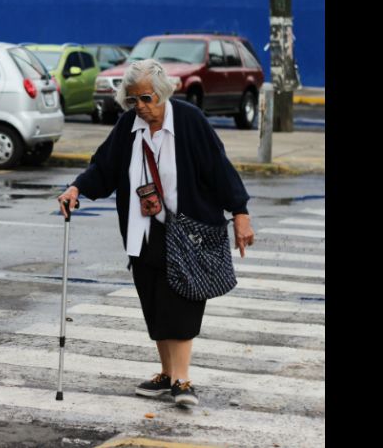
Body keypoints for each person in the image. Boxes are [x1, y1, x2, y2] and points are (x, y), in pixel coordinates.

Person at [57, 58, 254, 407]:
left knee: (181, 303)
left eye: (146, 99)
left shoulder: (190, 122)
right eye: (133, 100)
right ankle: (166, 374)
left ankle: (182, 380)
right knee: (155, 304)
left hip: (186, 231)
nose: (140, 107)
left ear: (162, 94)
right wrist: (77, 188)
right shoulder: (128, 127)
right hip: (143, 232)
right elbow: (103, 167)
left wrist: (240, 211)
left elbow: (218, 167)